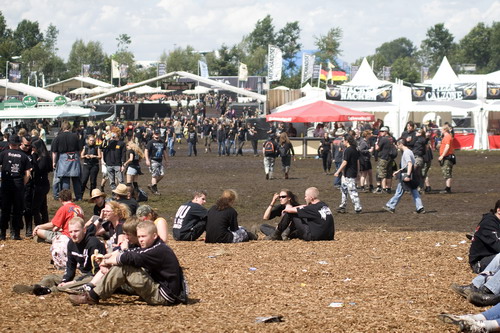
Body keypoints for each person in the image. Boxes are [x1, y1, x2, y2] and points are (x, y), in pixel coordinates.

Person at [68, 221, 188, 306]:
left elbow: (129, 257)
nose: (140, 239)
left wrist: (106, 261)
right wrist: (107, 256)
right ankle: (98, 289)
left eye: (143, 236)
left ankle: (92, 297)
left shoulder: (157, 250)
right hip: (162, 288)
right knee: (122, 266)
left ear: (154, 235)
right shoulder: (156, 246)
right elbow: (132, 251)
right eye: (139, 236)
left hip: (163, 296)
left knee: (124, 267)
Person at [12, 217, 106, 295]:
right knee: (51, 277)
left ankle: (50, 291)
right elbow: (70, 266)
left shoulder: (93, 243)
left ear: (84, 230)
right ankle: (34, 288)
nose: (73, 234)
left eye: (76, 231)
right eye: (71, 232)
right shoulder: (71, 243)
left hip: (95, 276)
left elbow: (97, 271)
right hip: (82, 275)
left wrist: (73, 282)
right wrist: (65, 280)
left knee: (77, 284)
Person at [450, 201, 500, 306]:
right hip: (480, 262)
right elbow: (498, 246)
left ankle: (478, 287)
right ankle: (485, 290)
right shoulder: (489, 223)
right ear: (499, 211)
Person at [0, 134, 32, 240]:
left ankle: (2, 233)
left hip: (6, 183)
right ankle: (15, 233)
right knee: (17, 209)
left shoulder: (3, 153)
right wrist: (23, 183)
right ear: (18, 144)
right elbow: (28, 174)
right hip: (18, 184)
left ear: (9, 144)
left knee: (5, 209)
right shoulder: (24, 156)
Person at [383, 139, 425, 214]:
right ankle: (420, 207)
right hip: (409, 172)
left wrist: (408, 175)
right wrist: (398, 171)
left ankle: (391, 206)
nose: (396, 146)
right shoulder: (409, 151)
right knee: (414, 190)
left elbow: (409, 164)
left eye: (397, 144)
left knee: (400, 190)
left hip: (406, 174)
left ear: (401, 144)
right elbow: (409, 164)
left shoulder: (406, 153)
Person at [51, 121, 83, 201]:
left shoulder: (58, 137)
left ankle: (66, 198)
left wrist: (54, 162)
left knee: (65, 179)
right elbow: (80, 149)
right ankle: (79, 197)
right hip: (74, 157)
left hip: (63, 158)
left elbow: (54, 152)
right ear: (70, 127)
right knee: (76, 179)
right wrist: (78, 157)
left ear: (62, 127)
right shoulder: (75, 136)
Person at [334, 135, 362, 214]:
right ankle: (342, 206)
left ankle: (358, 207)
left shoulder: (348, 150)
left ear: (347, 141)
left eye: (343, 141)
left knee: (352, 190)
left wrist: (338, 171)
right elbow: (357, 161)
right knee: (344, 190)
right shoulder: (355, 149)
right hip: (348, 173)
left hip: (349, 173)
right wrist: (358, 171)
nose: (342, 142)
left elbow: (345, 162)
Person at [31, 139, 52, 234]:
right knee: (43, 206)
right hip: (43, 183)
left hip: (41, 184)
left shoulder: (43, 158)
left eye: (34, 147)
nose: (32, 149)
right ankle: (45, 225)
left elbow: (39, 170)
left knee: (36, 207)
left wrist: (33, 158)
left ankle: (39, 225)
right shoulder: (45, 156)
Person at [145, 129, 167, 196]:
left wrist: (166, 160)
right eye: (156, 134)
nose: (157, 135)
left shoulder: (162, 142)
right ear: (153, 134)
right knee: (154, 175)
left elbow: (164, 152)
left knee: (162, 174)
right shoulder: (150, 142)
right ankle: (155, 190)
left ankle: (152, 185)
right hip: (153, 161)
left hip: (160, 160)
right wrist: (147, 159)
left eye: (158, 134)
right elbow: (146, 151)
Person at [374, 126, 396, 194]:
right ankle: (388, 188)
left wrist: (376, 144)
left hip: (383, 158)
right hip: (390, 158)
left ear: (386, 132)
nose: (380, 133)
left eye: (382, 131)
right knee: (389, 174)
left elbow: (377, 148)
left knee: (382, 173)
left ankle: (383, 188)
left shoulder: (383, 139)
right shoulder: (391, 138)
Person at [80, 135, 101, 199]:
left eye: (92, 140)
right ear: (88, 141)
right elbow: (81, 156)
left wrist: (94, 156)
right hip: (86, 165)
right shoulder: (85, 147)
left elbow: (100, 156)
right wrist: (86, 156)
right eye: (90, 140)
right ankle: (80, 195)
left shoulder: (97, 147)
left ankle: (92, 196)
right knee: (83, 180)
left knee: (93, 181)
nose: (91, 142)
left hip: (94, 165)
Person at [438, 124, 455, 194]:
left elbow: (447, 147)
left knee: (447, 173)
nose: (441, 131)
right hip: (448, 156)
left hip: (447, 157)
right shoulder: (446, 137)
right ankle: (447, 187)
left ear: (444, 130)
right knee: (447, 172)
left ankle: (448, 188)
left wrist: (442, 155)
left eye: (442, 129)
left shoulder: (447, 137)